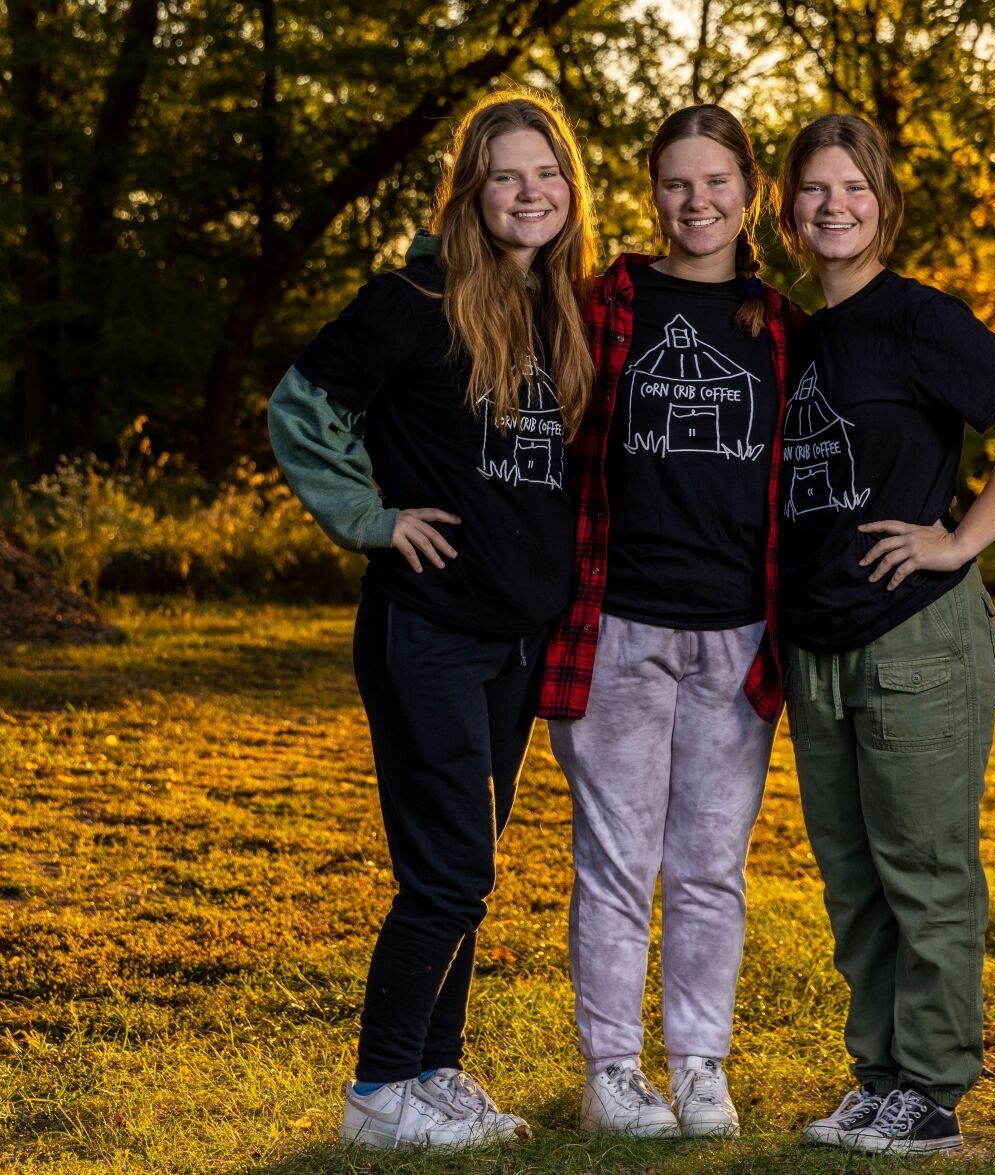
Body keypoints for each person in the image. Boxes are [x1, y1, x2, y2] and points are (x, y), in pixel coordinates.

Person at [266, 89, 597, 1151]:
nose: (528, 192)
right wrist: (370, 515)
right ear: (470, 188)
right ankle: (376, 1091)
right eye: (506, 174)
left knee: (470, 869)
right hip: (429, 630)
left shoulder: (557, 309)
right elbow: (300, 408)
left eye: (545, 174)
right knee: (448, 870)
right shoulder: (412, 298)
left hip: (513, 641)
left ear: (566, 190)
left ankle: (434, 1073)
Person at [774, 113, 995, 1155]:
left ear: (882, 203)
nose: (832, 206)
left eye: (852, 187)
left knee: (923, 869)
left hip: (913, 636)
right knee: (851, 877)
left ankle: (934, 1090)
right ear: (788, 209)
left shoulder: (918, 319)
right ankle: (878, 1076)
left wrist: (958, 540)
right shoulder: (797, 335)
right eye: (813, 189)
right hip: (818, 646)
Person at [538, 103, 804, 1140]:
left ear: (748, 193)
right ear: (652, 194)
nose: (696, 202)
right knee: (614, 858)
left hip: (737, 634)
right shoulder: (605, 300)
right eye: (675, 184)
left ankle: (698, 1063)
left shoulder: (780, 323)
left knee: (708, 865)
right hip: (616, 626)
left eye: (716, 183)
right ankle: (612, 1068)